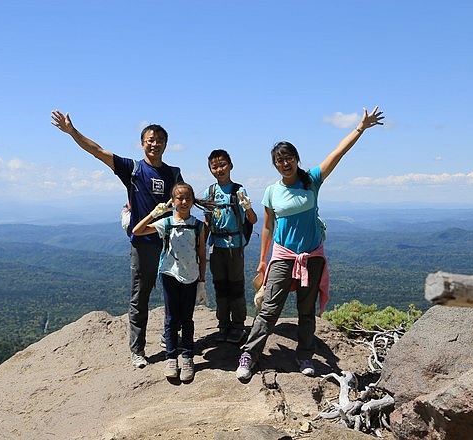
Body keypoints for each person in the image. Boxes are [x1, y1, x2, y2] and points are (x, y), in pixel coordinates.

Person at [235, 106, 384, 381]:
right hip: (283, 254)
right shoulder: (272, 191)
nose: (285, 163)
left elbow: (337, 153)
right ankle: (249, 354)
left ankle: (305, 355)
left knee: (306, 310)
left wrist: (360, 127)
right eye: (279, 160)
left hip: (312, 255)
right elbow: (267, 225)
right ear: (275, 164)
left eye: (289, 157)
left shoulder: (311, 180)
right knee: (270, 309)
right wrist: (262, 259)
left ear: (296, 159)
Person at [51, 110, 182, 369]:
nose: (154, 144)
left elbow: (183, 202)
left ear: (166, 144)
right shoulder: (133, 169)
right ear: (142, 143)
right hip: (143, 244)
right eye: (150, 139)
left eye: (159, 140)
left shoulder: (174, 173)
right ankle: (138, 350)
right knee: (140, 297)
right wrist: (72, 132)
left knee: (173, 293)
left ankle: (170, 339)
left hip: (168, 242)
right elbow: (98, 151)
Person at [132, 182, 207, 382]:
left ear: (193, 201)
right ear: (172, 201)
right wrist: (155, 213)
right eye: (179, 198)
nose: (183, 202)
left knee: (187, 319)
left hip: (191, 276)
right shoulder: (166, 223)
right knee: (171, 318)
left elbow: (201, 254)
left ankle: (187, 356)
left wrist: (202, 281)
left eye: (187, 198)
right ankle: (171, 357)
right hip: (170, 275)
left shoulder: (199, 226)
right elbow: (137, 231)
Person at [203, 149, 257, 343]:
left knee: (235, 286)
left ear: (231, 165)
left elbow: (253, 219)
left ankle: (238, 325)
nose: (219, 169)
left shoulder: (239, 191)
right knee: (220, 286)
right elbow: (208, 223)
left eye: (223, 165)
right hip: (216, 247)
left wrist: (247, 206)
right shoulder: (209, 192)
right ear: (210, 170)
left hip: (235, 246)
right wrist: (200, 246)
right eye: (215, 167)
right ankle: (223, 324)